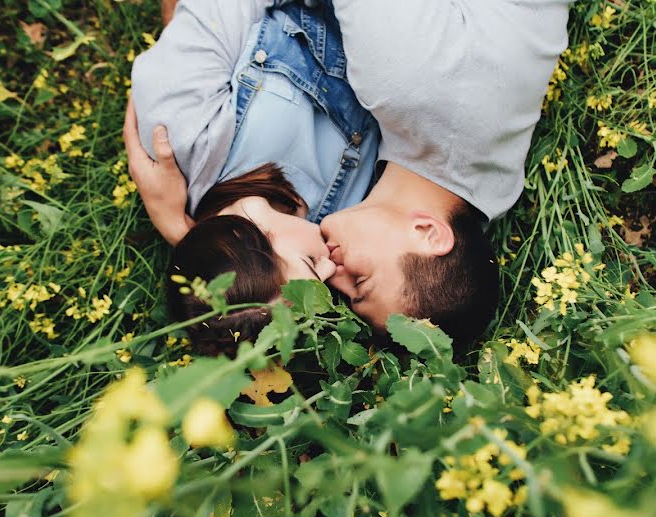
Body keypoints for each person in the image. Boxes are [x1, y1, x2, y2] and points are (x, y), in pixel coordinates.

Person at [126, 0, 380, 353]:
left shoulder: (182, 140)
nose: (332, 270)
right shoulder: (342, 226)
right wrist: (180, 232)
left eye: (310, 264)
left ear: (248, 233)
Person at [318, 0, 572, 346]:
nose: (332, 276)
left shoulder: (491, 195)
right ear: (429, 233)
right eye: (361, 283)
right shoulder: (401, 87)